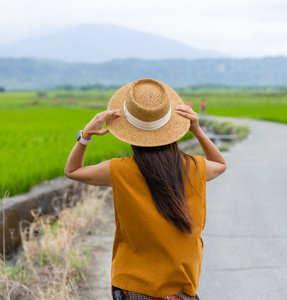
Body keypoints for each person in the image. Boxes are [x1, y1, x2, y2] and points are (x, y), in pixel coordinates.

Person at [64, 78, 226, 299]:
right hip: (180, 286)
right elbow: (220, 164)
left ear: (129, 131)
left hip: (133, 284)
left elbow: (72, 171)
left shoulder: (119, 170)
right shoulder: (194, 167)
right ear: (172, 126)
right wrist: (197, 130)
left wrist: (85, 136)